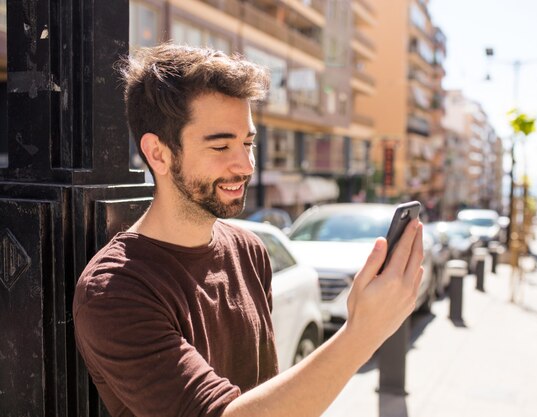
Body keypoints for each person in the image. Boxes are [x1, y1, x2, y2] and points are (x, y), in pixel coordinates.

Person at [72, 43, 424, 417]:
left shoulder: (249, 250)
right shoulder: (113, 291)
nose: (244, 165)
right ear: (158, 154)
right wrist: (361, 333)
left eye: (247, 142)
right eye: (221, 145)